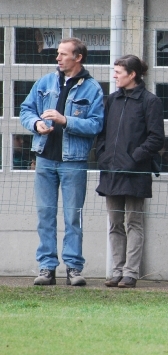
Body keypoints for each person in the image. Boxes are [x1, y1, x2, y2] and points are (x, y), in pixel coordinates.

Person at [20, 37, 104, 286]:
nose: (57, 58)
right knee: (45, 215)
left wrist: (65, 120)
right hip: (44, 159)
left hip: (74, 162)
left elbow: (96, 124)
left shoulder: (93, 88)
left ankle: (74, 269)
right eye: (58, 53)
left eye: (63, 54)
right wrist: (35, 124)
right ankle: (46, 268)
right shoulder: (45, 82)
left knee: (73, 217)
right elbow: (26, 109)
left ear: (77, 58)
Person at [96, 55, 165, 289]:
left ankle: (130, 273)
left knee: (134, 222)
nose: (114, 76)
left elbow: (156, 138)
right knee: (115, 222)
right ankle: (116, 271)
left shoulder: (150, 101)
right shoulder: (111, 100)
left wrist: (134, 158)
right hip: (111, 171)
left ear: (132, 74)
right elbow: (102, 134)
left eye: (118, 72)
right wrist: (104, 156)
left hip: (136, 172)